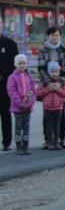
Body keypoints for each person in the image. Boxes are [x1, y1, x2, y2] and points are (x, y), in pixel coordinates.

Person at [38, 26, 65, 149]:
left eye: (57, 35)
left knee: (61, 114)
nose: (55, 37)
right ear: (48, 36)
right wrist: (48, 83)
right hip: (47, 86)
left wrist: (59, 83)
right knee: (47, 115)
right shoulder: (43, 50)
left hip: (61, 85)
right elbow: (41, 68)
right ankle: (48, 140)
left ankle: (62, 138)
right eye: (52, 35)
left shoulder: (64, 50)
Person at [36, 61, 65, 150]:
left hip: (58, 108)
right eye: (52, 72)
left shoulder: (61, 83)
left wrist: (57, 89)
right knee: (48, 126)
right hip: (47, 108)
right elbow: (39, 92)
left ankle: (56, 142)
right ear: (48, 72)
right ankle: (50, 142)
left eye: (56, 72)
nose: (54, 74)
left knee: (57, 126)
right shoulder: (45, 83)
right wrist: (48, 89)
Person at [6, 54, 35, 154]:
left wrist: (30, 103)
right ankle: (19, 146)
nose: (22, 65)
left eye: (24, 63)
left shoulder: (29, 77)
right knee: (18, 126)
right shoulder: (12, 77)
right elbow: (12, 91)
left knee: (26, 126)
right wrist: (20, 104)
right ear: (16, 64)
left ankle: (26, 145)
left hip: (28, 108)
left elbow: (33, 91)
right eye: (20, 63)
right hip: (17, 108)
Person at [0, 17, 18, 151]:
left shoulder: (10, 44)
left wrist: (2, 74)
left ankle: (7, 142)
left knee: (5, 115)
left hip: (4, 86)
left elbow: (14, 62)